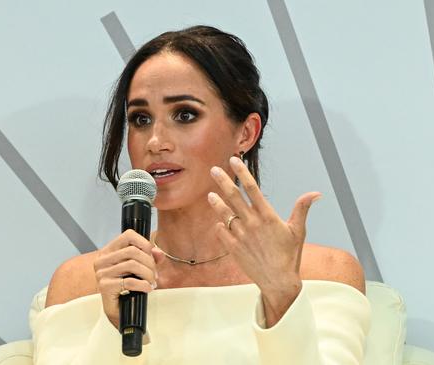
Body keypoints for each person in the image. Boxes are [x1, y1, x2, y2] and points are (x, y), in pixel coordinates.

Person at [34, 25, 369, 364]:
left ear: (246, 132)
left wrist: (283, 297)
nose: (155, 141)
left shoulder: (326, 272)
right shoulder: (79, 284)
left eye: (185, 114)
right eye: (141, 119)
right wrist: (111, 326)